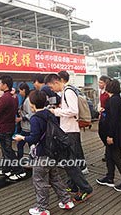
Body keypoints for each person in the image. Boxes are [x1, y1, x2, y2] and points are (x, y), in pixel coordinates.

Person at [14, 90, 74, 215]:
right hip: (53, 153)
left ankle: (42, 208)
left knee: (40, 181)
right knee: (55, 178)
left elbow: (34, 138)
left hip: (42, 154)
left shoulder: (35, 118)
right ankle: (67, 201)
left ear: (32, 103)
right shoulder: (49, 114)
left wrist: (22, 138)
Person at [44, 74, 93, 202]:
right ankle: (73, 185)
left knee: (69, 163)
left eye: (51, 87)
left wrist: (56, 112)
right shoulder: (66, 92)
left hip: (70, 131)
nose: (51, 90)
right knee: (69, 161)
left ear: (55, 82)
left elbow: (73, 111)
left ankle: (85, 189)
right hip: (68, 130)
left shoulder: (68, 92)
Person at [96, 79, 121, 192]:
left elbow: (113, 119)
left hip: (115, 133)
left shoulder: (113, 100)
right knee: (109, 155)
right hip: (117, 132)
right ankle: (109, 177)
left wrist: (110, 135)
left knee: (116, 156)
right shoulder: (117, 99)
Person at [0, 75, 25, 181]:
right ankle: (7, 168)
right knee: (6, 150)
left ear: (5, 85)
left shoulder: (4, 98)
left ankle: (19, 170)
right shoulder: (14, 97)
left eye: (0, 83)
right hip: (10, 126)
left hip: (4, 127)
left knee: (8, 151)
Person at [15, 82, 33, 161]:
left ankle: (20, 160)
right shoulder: (26, 99)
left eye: (20, 91)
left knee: (24, 145)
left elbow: (31, 114)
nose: (19, 93)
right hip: (25, 127)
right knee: (30, 146)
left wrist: (21, 118)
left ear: (24, 90)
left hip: (27, 128)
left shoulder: (28, 100)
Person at [97, 75, 111, 162]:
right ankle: (108, 150)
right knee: (101, 133)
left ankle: (108, 153)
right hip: (102, 115)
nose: (99, 84)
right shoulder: (101, 92)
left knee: (106, 133)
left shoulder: (108, 93)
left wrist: (105, 109)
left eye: (101, 82)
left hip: (107, 115)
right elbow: (100, 103)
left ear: (105, 84)